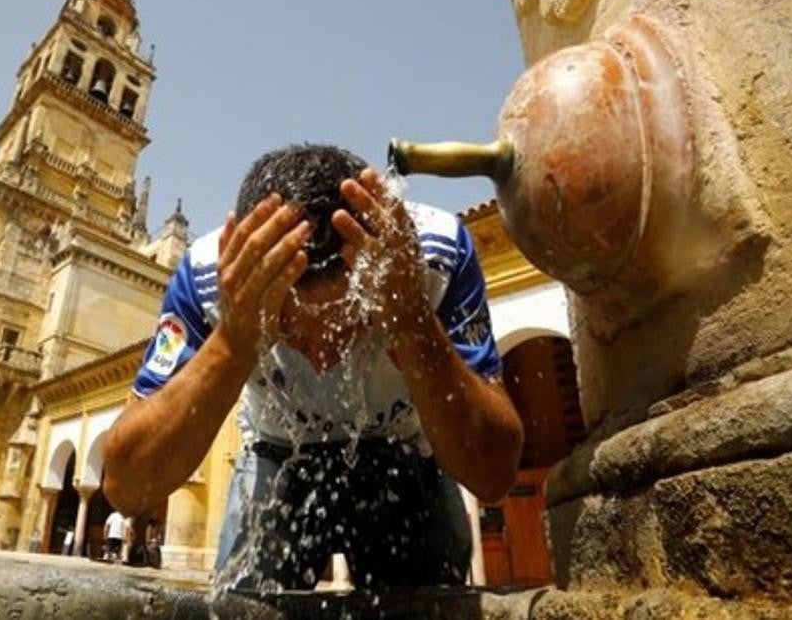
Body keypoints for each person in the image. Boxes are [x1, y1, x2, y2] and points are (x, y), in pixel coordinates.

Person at [103, 144, 524, 590]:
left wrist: (413, 323)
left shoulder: (431, 257)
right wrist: (233, 340)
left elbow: (493, 476)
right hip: (275, 451)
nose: (323, 357)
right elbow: (129, 489)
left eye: (348, 324)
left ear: (376, 281)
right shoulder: (212, 278)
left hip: (404, 449)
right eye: (290, 331)